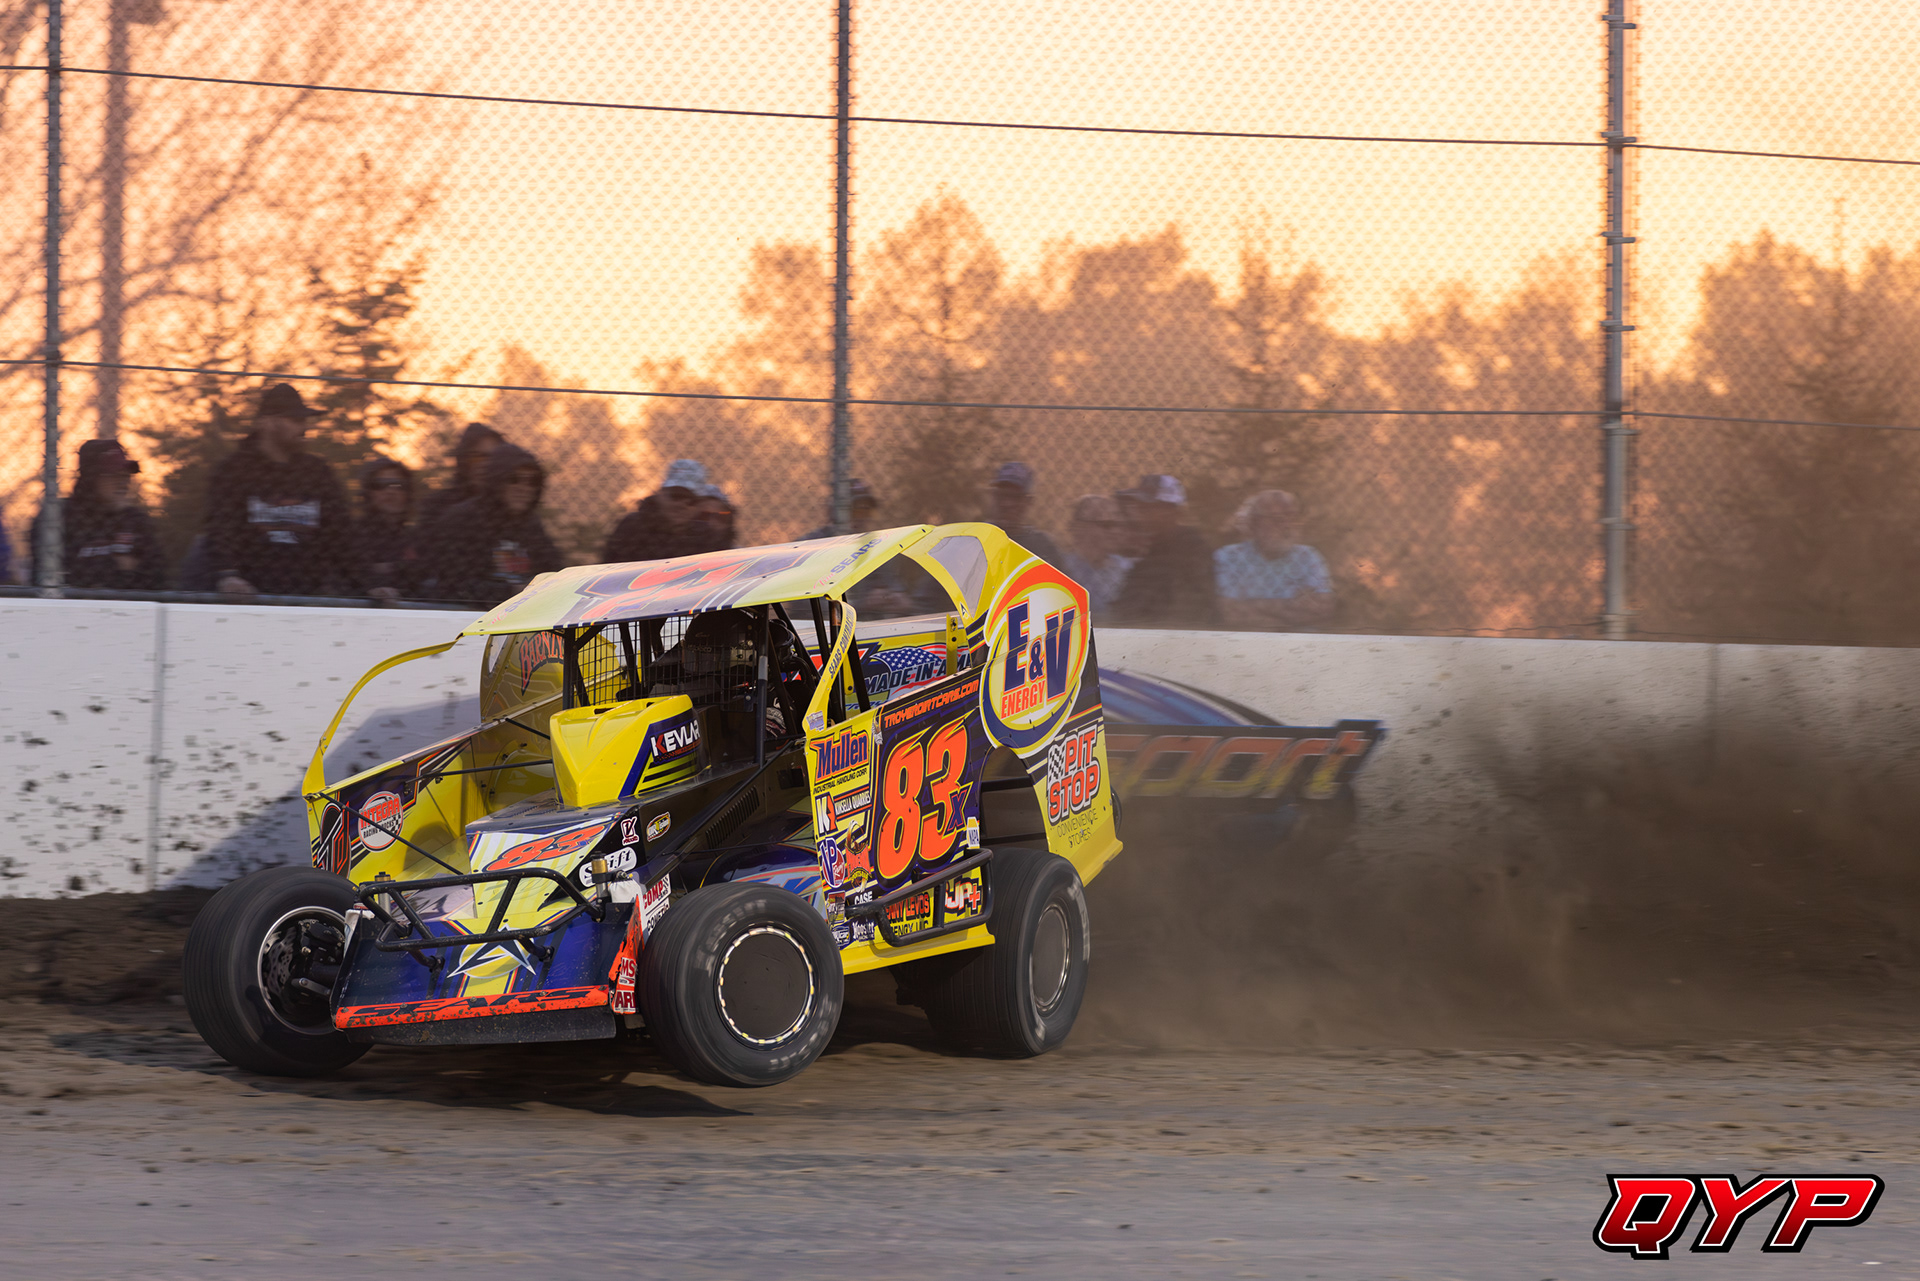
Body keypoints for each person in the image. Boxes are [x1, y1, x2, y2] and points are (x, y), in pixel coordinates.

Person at [203, 383, 351, 597]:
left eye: (305, 421)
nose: (304, 428)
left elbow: (340, 533)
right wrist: (228, 574)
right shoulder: (234, 470)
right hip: (250, 593)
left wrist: (359, 583)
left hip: (309, 593)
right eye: (295, 420)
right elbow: (221, 528)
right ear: (267, 422)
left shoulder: (318, 473)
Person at [424, 442, 563, 605]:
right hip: (470, 616)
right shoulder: (464, 520)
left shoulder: (531, 525)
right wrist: (510, 592)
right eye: (514, 479)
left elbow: (553, 573)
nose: (523, 488)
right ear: (497, 481)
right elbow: (452, 585)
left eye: (532, 481)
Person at [30, 439, 167, 591]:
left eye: (125, 475)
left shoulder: (135, 520)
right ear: (91, 478)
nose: (123, 482)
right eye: (112, 475)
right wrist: (119, 566)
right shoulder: (60, 516)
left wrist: (98, 567)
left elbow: (156, 576)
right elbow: (54, 575)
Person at [1213, 490, 1335, 630]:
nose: (1287, 526)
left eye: (1292, 518)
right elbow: (1231, 614)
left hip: (1302, 643)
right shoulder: (1229, 556)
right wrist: (1292, 609)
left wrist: (1254, 607)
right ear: (1255, 524)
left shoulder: (1308, 556)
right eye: (1277, 519)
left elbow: (1324, 610)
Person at [1110, 474, 1216, 627]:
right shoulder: (1151, 549)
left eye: (1150, 508)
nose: (1142, 513)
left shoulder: (1191, 547)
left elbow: (1193, 606)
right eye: (1141, 507)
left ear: (1173, 511)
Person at [602, 459, 709, 563]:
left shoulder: (704, 535)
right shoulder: (634, 527)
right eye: (675, 496)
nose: (681, 504)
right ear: (661, 495)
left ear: (700, 504)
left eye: (691, 501)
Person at [348, 456, 422, 603]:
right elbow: (349, 576)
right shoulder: (351, 534)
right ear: (368, 492)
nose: (390, 491)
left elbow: (422, 576)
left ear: (408, 493)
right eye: (380, 485)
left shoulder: (417, 537)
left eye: (399, 486)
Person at [418, 422, 503, 526]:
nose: (484, 464)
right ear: (463, 460)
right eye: (476, 457)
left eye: (492, 457)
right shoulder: (437, 505)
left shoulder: (506, 506)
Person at [1058, 493, 1130, 617]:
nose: (1115, 531)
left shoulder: (1126, 568)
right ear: (1080, 527)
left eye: (1117, 525)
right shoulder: (1062, 568)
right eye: (1106, 525)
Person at [982, 461, 1065, 564]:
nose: (1006, 504)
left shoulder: (1042, 546)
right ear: (993, 496)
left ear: (1029, 502)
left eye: (1015, 497)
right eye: (1002, 495)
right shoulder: (980, 537)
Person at [683, 482, 737, 555]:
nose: (712, 523)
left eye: (721, 517)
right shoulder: (672, 558)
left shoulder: (739, 558)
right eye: (704, 516)